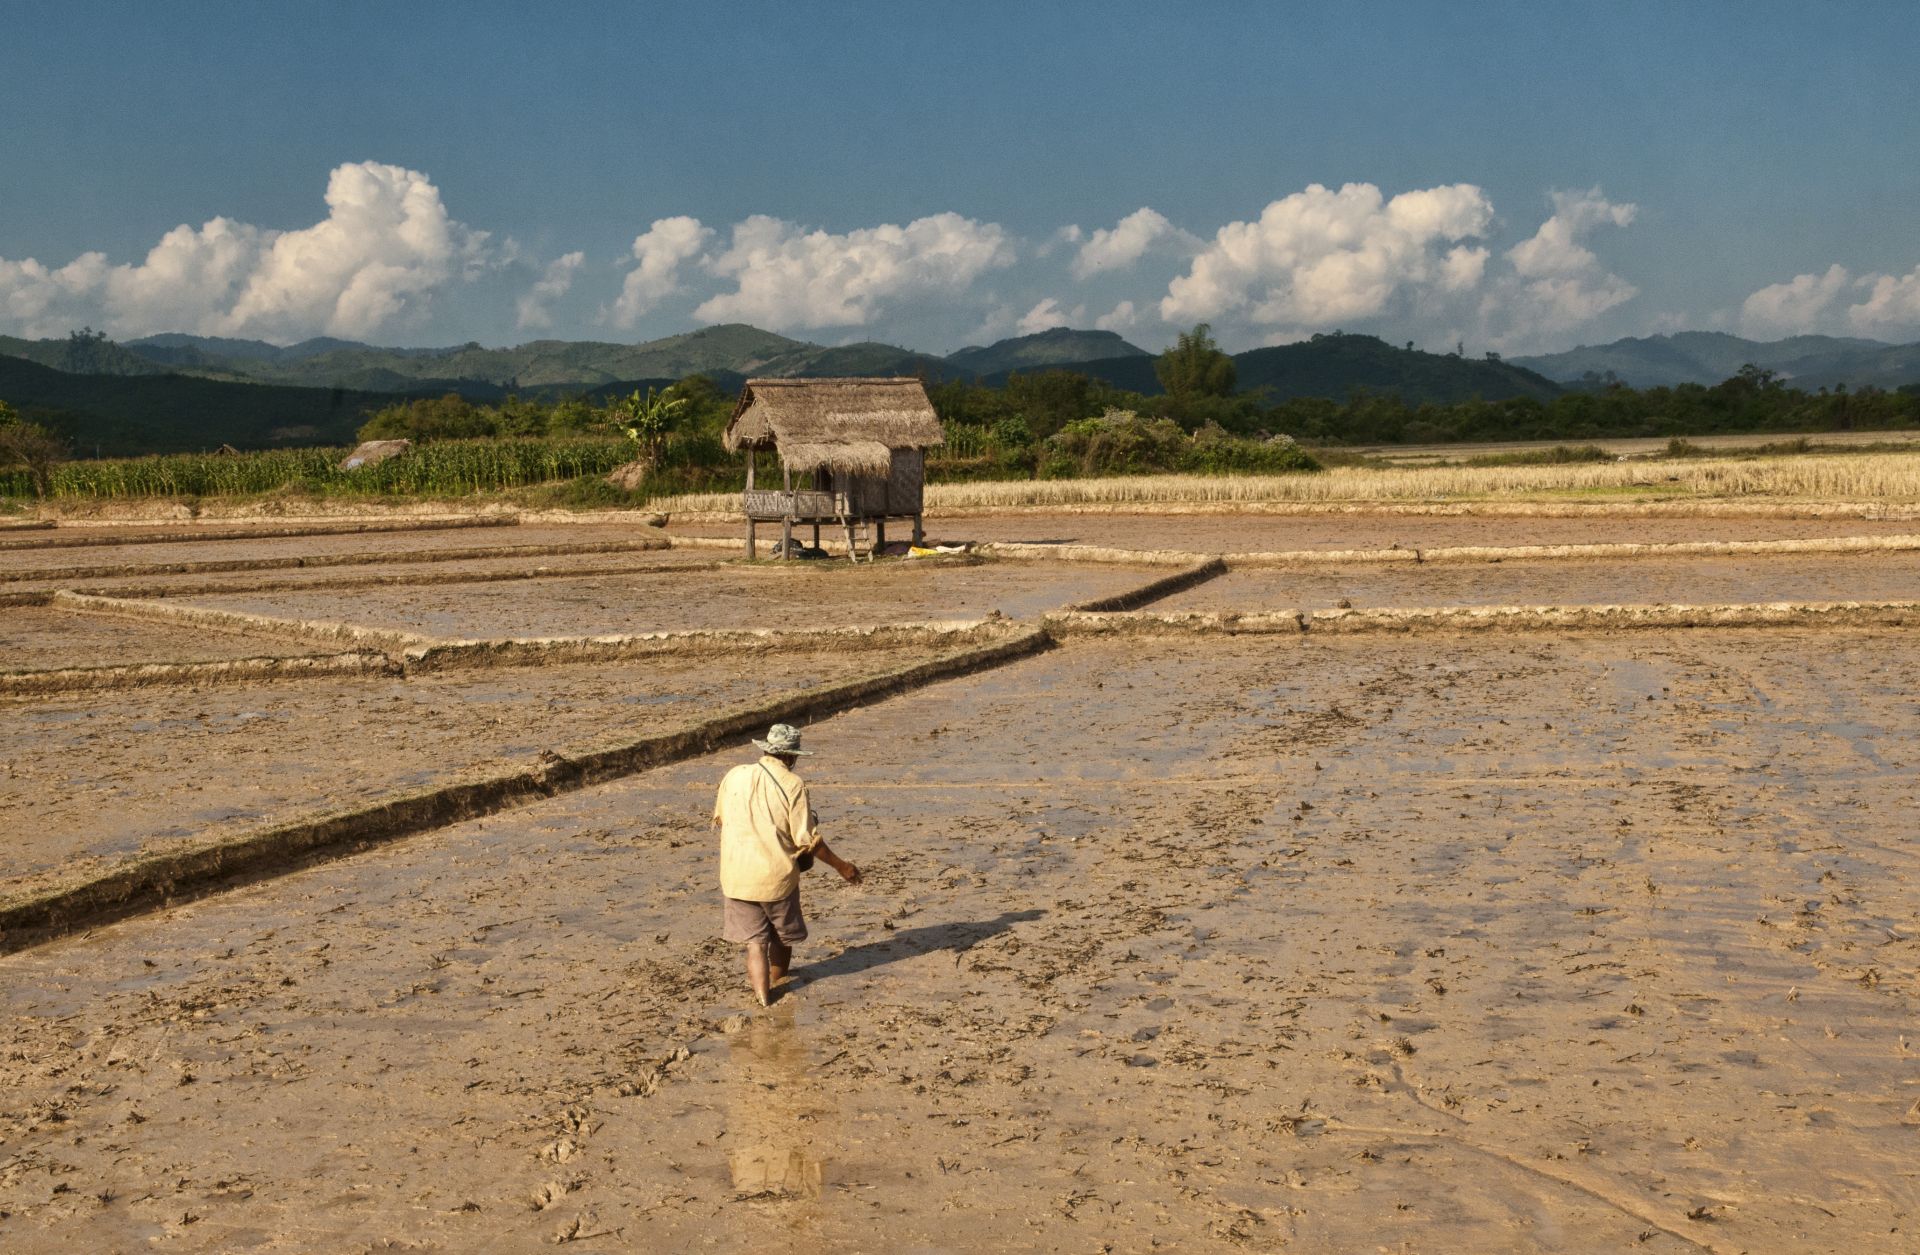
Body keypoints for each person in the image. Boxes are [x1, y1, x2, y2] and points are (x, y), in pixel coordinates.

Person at [713, 723, 860, 1006]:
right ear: (791, 757)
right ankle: (779, 981)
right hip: (775, 878)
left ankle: (763, 998)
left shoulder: (734, 775)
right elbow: (807, 840)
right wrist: (842, 866)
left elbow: (722, 819)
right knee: (782, 938)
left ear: (767, 749)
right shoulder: (793, 784)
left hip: (737, 875)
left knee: (755, 943)